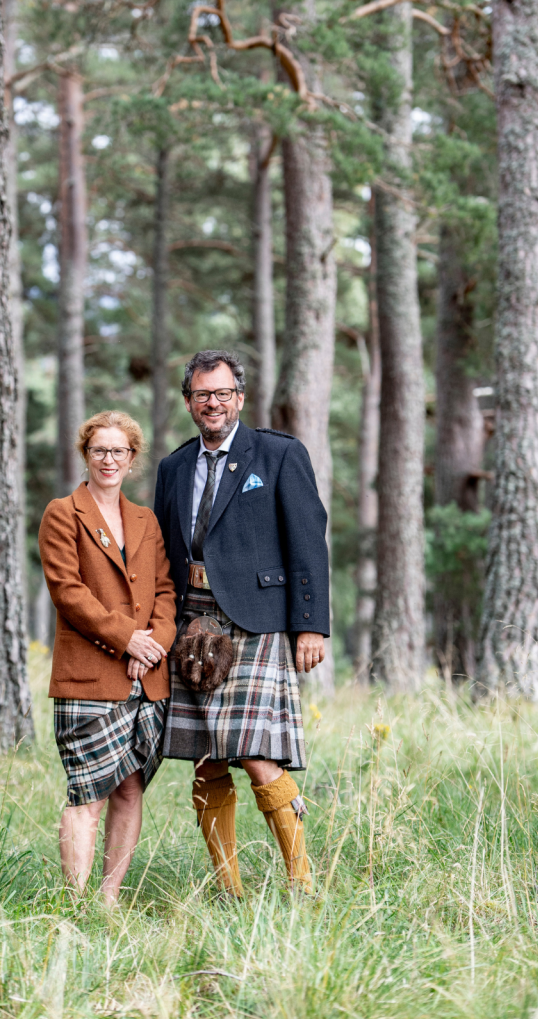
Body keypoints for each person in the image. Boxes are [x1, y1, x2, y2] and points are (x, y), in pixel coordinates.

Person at [154, 350, 330, 896]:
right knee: (207, 758)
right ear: (188, 401)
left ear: (240, 398)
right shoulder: (173, 467)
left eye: (223, 393)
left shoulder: (277, 454)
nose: (214, 403)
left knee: (255, 753)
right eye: (203, 394)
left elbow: (308, 540)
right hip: (192, 624)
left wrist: (310, 624)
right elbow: (162, 551)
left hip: (255, 621)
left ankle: (301, 879)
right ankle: (228, 888)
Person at [39, 411, 177, 904]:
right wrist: (127, 640)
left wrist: (154, 643)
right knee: (87, 794)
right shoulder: (62, 512)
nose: (109, 460)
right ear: (86, 454)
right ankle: (75, 905)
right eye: (100, 450)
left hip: (146, 679)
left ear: (133, 459)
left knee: (129, 790)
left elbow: (165, 591)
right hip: (90, 676)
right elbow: (68, 593)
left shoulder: (146, 520)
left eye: (119, 451)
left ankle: (108, 899)